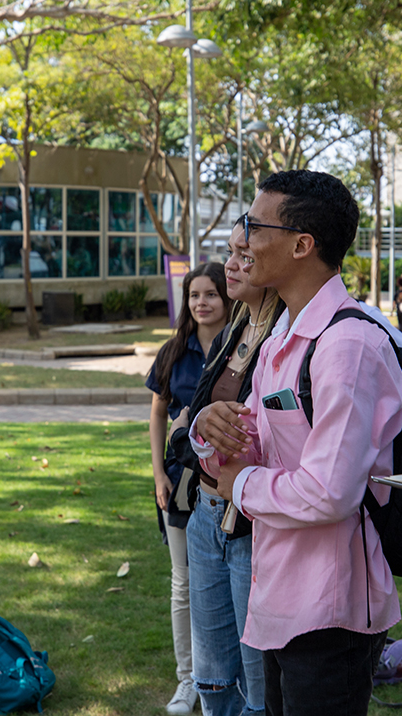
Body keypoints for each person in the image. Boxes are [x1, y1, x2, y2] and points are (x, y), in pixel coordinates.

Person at [193, 170, 402, 716]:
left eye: (254, 225)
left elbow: (328, 493)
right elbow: (254, 447)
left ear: (301, 245)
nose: (244, 241)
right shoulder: (283, 337)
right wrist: (209, 432)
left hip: (331, 609)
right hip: (279, 596)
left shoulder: (348, 344)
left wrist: (238, 482)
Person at [168, 220, 281, 716]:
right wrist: (196, 434)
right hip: (204, 516)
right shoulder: (233, 332)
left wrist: (196, 433)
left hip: (251, 526)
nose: (232, 264)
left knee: (256, 686)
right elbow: (181, 432)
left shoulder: (287, 338)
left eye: (244, 253)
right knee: (212, 680)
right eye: (230, 252)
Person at [146, 261, 232, 715]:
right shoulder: (173, 351)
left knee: (225, 582)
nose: (201, 303)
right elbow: (159, 411)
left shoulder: (241, 346)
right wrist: (158, 473)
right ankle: (189, 681)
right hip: (178, 484)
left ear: (227, 297)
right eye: (194, 295)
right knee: (183, 584)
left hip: (230, 484)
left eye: (210, 294)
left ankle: (224, 677)